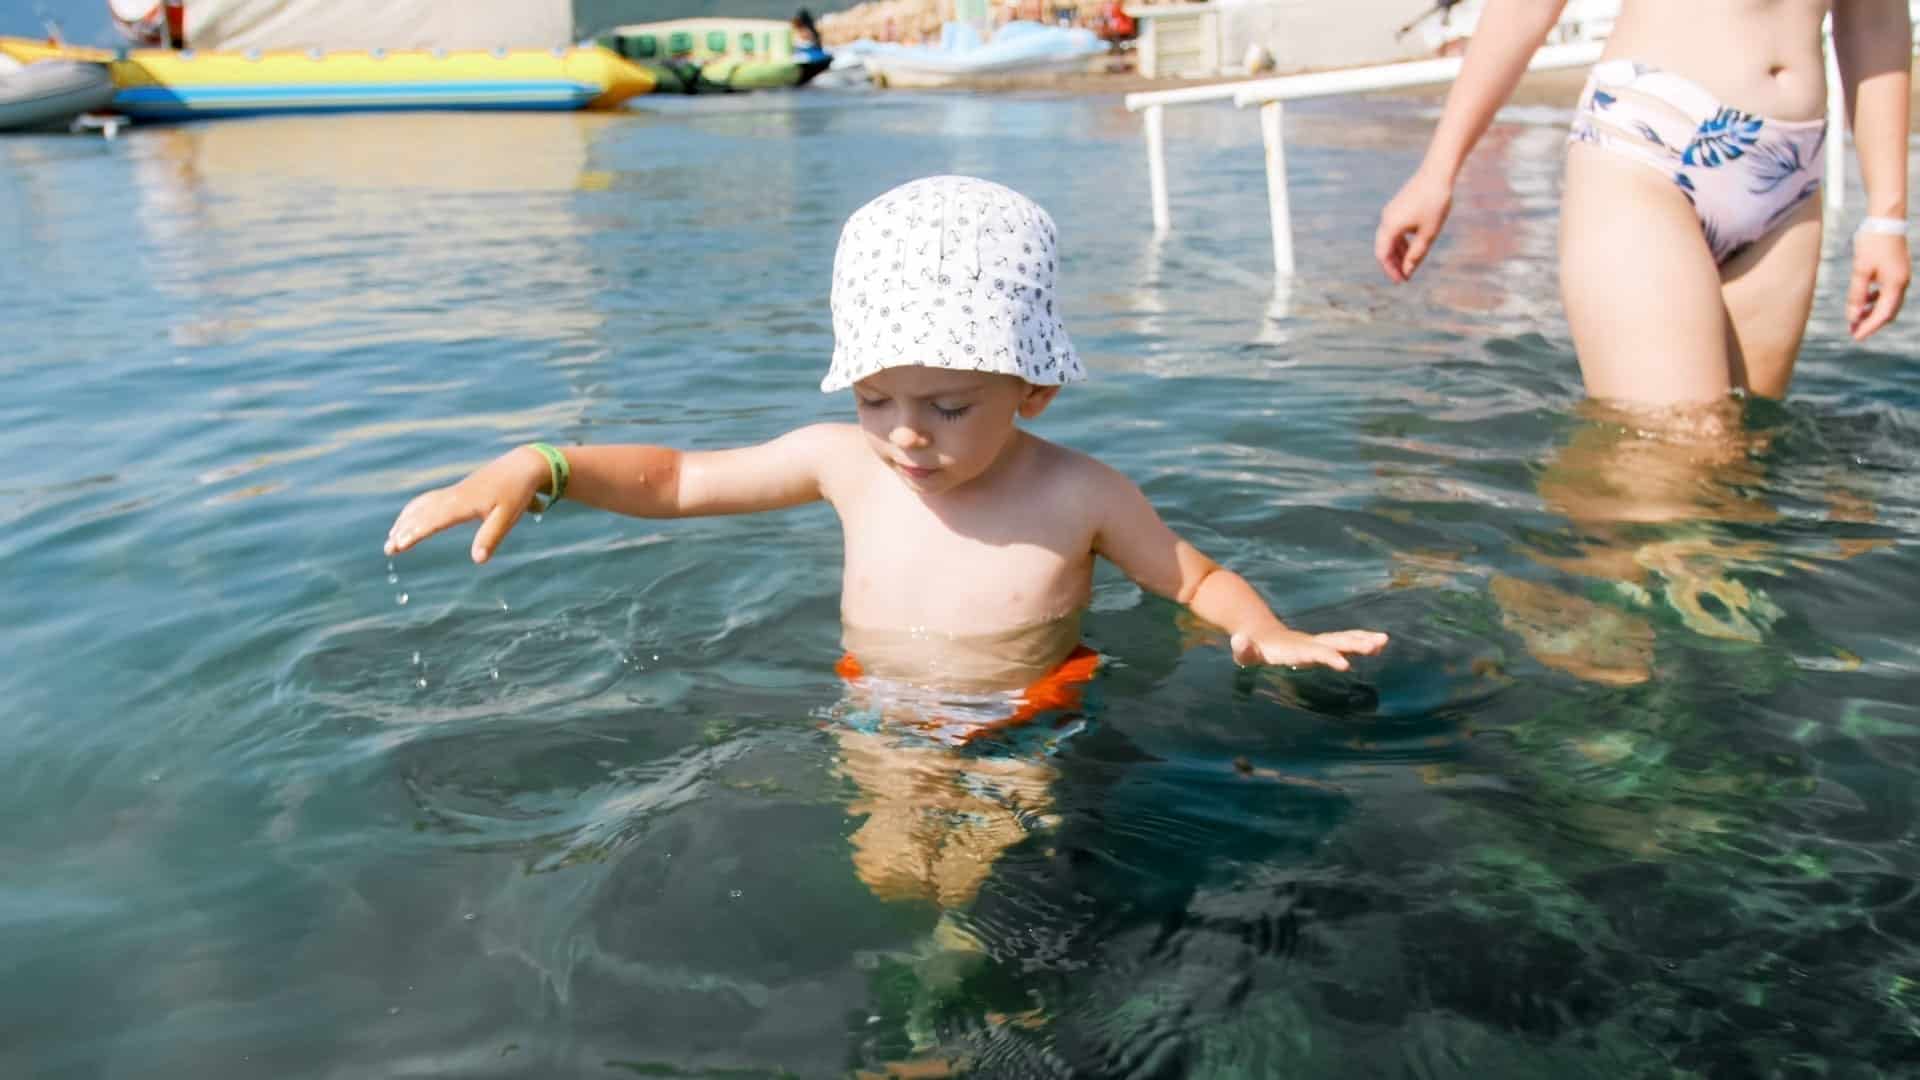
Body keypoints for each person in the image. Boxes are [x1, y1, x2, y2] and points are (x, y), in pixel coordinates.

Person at [385, 175, 1389, 709]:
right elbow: (680, 479)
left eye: (949, 407)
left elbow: (1193, 576)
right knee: (896, 877)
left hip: (1030, 707)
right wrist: (543, 465)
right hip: (875, 704)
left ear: (1032, 387)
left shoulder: (1083, 494)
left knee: (982, 905)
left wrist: (1273, 631)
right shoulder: (844, 465)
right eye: (874, 397)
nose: (906, 432)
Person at [1376, 0, 1912, 411]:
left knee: (1743, 466)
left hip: (1787, 170)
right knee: (1669, 466)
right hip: (1650, 141)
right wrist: (1438, 170)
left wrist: (1886, 216)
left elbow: (1875, 18)